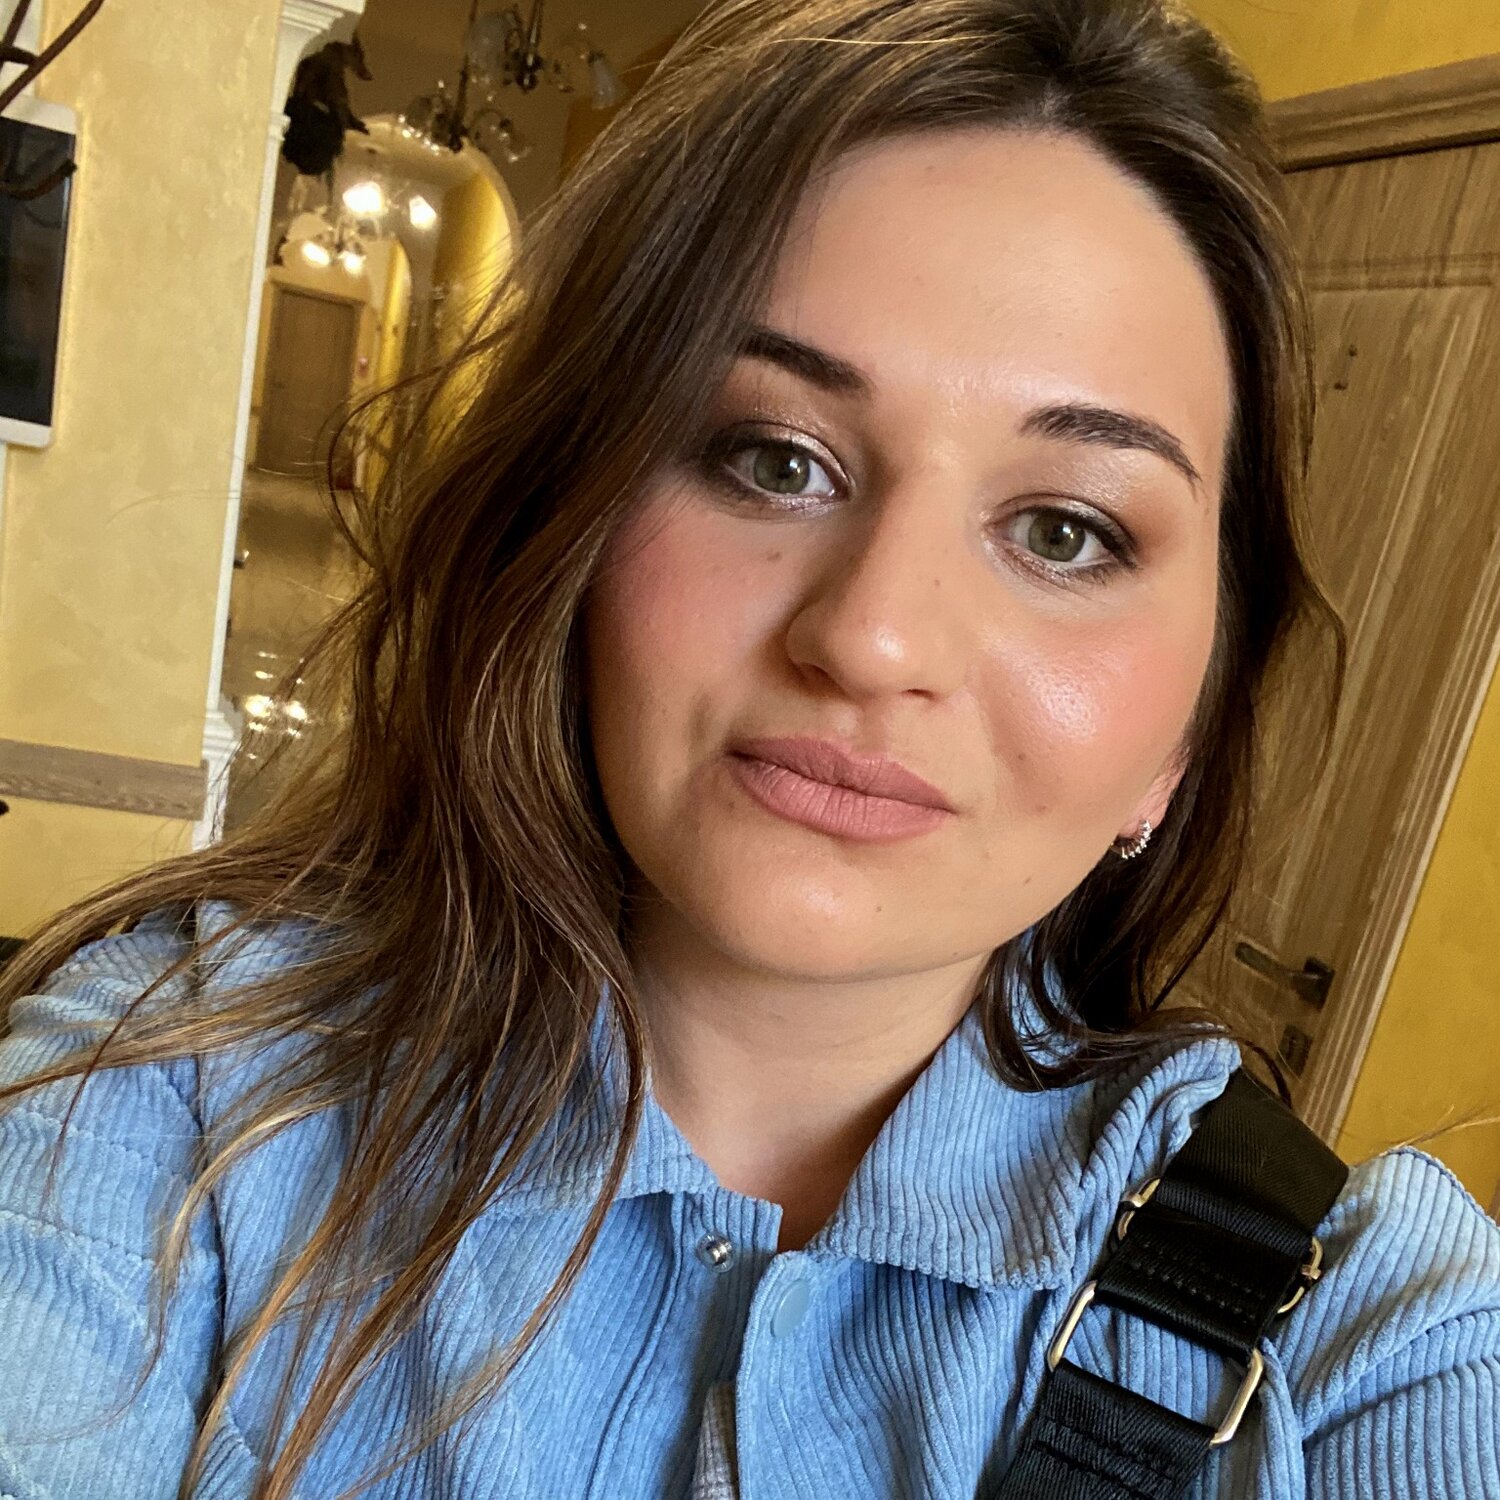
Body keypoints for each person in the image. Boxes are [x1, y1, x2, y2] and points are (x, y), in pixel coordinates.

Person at [2, 1, 1497, 1497]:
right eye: (776, 459)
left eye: (1065, 531)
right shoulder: (168, 1100)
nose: (873, 639)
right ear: (571, 534)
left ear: (1187, 729)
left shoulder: (1371, 1335)